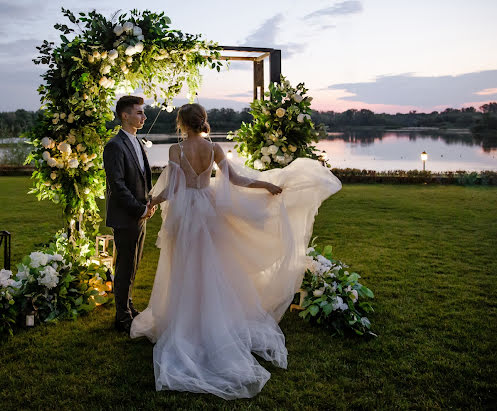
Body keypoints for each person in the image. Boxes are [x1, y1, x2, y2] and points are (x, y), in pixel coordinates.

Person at [130, 103, 342, 399]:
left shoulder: (176, 151)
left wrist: (153, 201)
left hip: (186, 217)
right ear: (201, 122)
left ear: (181, 123)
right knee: (211, 266)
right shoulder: (214, 148)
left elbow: (174, 189)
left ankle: (187, 322)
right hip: (209, 211)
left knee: (186, 267)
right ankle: (212, 320)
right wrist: (265, 184)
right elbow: (236, 180)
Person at [103, 96, 157, 334]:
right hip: (126, 216)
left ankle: (128, 306)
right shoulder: (114, 145)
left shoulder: (137, 142)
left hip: (140, 214)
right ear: (125, 116)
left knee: (133, 265)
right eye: (139, 113)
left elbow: (142, 179)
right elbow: (117, 185)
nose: (143, 117)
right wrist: (139, 209)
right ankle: (122, 318)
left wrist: (149, 203)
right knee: (124, 266)